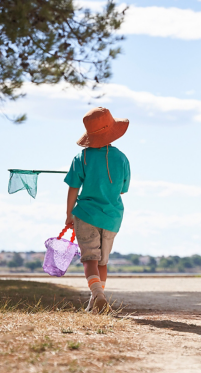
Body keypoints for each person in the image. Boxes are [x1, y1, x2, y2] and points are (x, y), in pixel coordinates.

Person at [65, 107, 131, 313]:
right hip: (112, 218)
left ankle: (98, 296)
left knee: (89, 259)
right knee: (102, 261)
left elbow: (73, 188)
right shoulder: (122, 158)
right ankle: (95, 302)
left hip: (85, 214)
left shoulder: (81, 158)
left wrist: (68, 214)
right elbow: (122, 190)